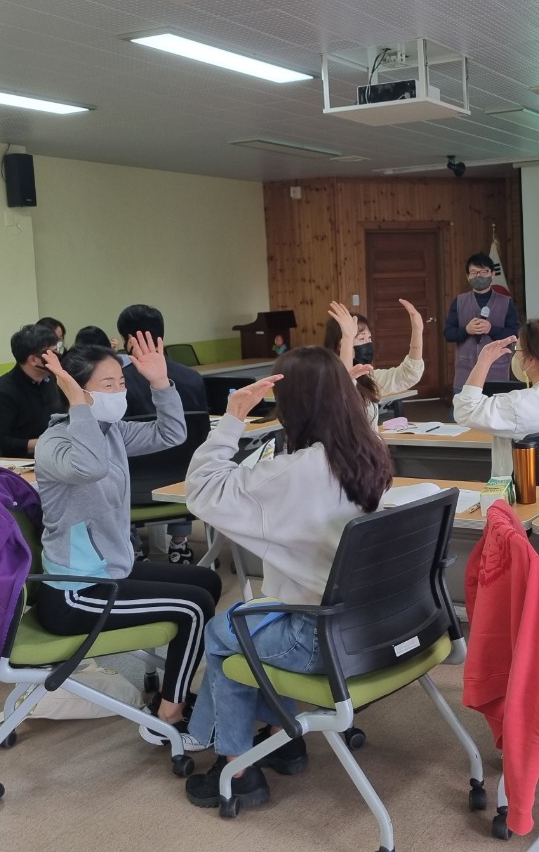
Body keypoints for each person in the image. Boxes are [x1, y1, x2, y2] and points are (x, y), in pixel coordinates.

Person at [181, 346, 393, 809]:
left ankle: (236, 769)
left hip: (319, 640)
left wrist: (233, 418)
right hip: (368, 628)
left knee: (223, 632)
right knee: (255, 613)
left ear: (291, 404)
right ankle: (283, 739)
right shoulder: (368, 453)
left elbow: (202, 490)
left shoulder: (296, 471)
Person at [31, 336, 221, 749]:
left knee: (206, 582)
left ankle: (172, 692)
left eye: (121, 382)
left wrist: (161, 384)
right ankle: (167, 716)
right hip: (76, 591)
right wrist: (78, 406)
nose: (119, 392)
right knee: (193, 607)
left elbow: (171, 433)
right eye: (108, 385)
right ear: (76, 390)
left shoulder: (110, 431)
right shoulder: (54, 444)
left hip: (112, 571)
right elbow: (90, 466)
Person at [116, 304, 207, 562]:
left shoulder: (116, 383)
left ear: (128, 340)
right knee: (185, 454)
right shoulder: (192, 377)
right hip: (185, 483)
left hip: (134, 488)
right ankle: (180, 543)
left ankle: (133, 548)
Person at [452, 319, 539, 476]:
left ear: (530, 360)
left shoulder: (517, 404)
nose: (515, 355)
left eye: (517, 349)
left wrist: (484, 361)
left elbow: (465, 410)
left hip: (521, 489)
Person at [325, 298, 424, 424]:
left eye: (369, 338)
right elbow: (344, 388)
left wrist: (417, 330)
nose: (367, 343)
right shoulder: (325, 379)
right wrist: (348, 337)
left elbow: (408, 374)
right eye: (361, 338)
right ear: (340, 345)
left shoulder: (369, 377)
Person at [0, 323, 64, 458]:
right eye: (53, 353)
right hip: (24, 462)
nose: (58, 358)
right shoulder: (1, 392)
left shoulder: (52, 381)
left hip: (56, 454)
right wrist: (46, 443)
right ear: (34, 360)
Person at [444, 253, 521, 390]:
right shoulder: (459, 302)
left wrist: (491, 329)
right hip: (465, 373)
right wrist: (466, 330)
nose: (478, 276)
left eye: (483, 271)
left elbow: (515, 334)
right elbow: (448, 334)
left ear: (492, 274)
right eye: (474, 272)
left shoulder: (506, 302)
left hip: (497, 372)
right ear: (468, 277)